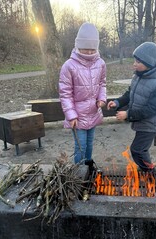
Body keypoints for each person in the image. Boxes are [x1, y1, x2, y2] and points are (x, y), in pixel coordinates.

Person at [107, 42, 156, 173]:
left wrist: (127, 114)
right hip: (142, 120)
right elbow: (129, 94)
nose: (134, 64)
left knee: (138, 150)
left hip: (151, 122)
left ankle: (152, 174)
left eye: (138, 62)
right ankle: (146, 169)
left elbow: (151, 109)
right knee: (140, 149)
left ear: (149, 64)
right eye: (134, 60)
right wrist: (118, 102)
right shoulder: (139, 76)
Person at [58, 22, 106, 169]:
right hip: (78, 116)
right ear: (78, 46)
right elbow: (65, 93)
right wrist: (71, 115)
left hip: (93, 112)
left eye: (93, 49)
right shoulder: (69, 66)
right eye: (86, 49)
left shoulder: (101, 63)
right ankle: (79, 171)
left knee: (90, 143)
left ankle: (88, 167)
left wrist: (101, 98)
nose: (90, 53)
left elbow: (102, 83)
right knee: (81, 146)